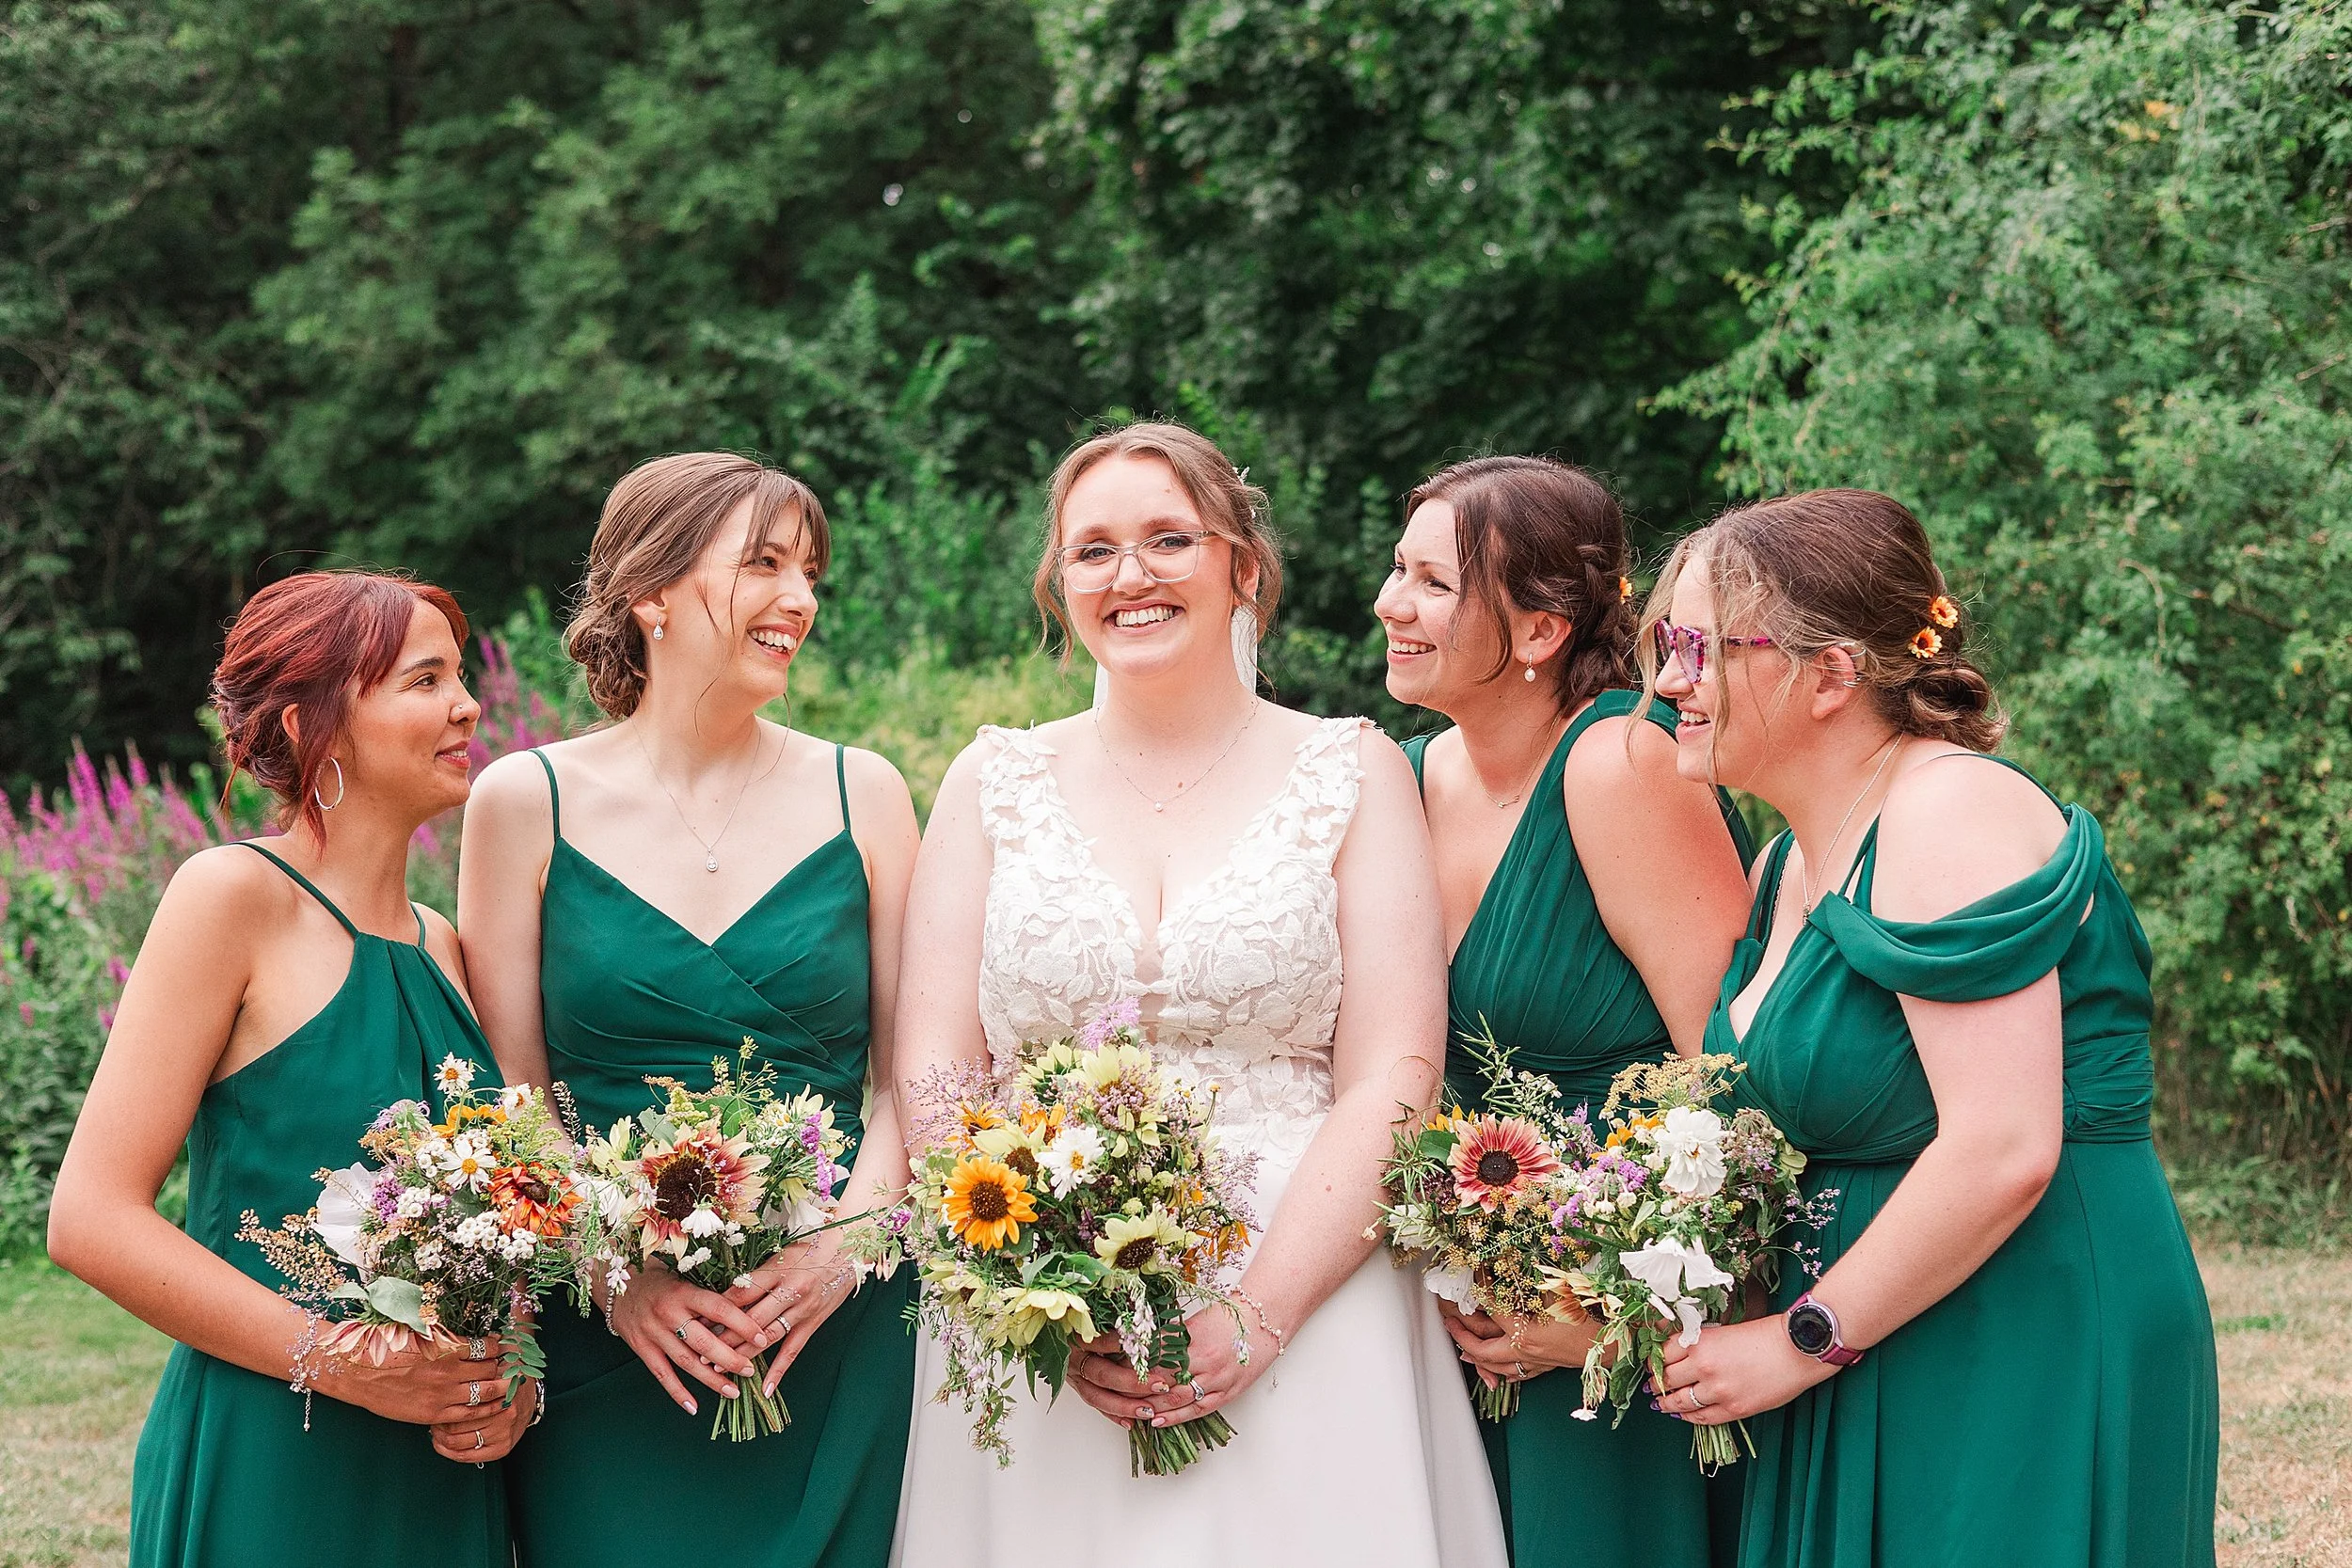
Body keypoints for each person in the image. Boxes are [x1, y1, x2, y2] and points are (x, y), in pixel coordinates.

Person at [890, 421, 1507, 1568]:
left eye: (1169, 538)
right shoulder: (992, 778)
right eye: (1093, 550)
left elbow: (1393, 1073)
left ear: (1243, 567)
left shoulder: (1352, 768)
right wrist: (1024, 1279)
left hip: (1311, 1288)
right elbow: (933, 1061)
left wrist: (1257, 1315)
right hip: (1039, 1311)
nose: (1130, 575)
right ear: (1059, 583)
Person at [1644, 490, 2218, 1566]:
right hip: (1877, 1318)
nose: (1670, 678)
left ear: (1831, 673)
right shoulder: (1783, 867)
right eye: (1667, 642)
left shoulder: (1951, 810)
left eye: (1702, 645)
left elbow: (2003, 1145)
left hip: (2021, 1315)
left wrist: (1801, 1339)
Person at [459, 451, 919, 1568]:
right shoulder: (526, 800)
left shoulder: (869, 791)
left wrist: (844, 1252)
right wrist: (620, 1282)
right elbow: (513, 1097)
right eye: (762, 564)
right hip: (614, 1335)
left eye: (809, 571)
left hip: (834, 1325)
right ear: (649, 593)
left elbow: (916, 1075)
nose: (800, 599)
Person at [48, 570, 524, 1568]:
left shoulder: (445, 945)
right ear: (317, 723)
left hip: (440, 1472)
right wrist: (347, 1362)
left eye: (463, 675)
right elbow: (91, 1216)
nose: (469, 703)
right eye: (425, 678)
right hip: (275, 1450)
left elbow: (503, 1220)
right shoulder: (232, 896)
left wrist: (508, 1376)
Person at [1376, 454, 1756, 1566]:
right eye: (1398, 570)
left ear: (1540, 630)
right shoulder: (1398, 779)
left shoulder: (1621, 763)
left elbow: (1735, 1076)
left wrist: (1613, 1315)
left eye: (1433, 582)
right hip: (1455, 1312)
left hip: (1617, 1316)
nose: (1392, 603)